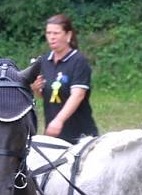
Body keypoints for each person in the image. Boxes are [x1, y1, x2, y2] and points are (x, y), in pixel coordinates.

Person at [31, 14, 98, 143]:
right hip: (54, 134)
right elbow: (48, 95)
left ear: (68, 35)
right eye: (48, 33)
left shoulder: (79, 61)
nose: (51, 37)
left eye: (56, 33)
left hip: (80, 134)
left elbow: (78, 95)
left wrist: (58, 121)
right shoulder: (44, 61)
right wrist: (36, 89)